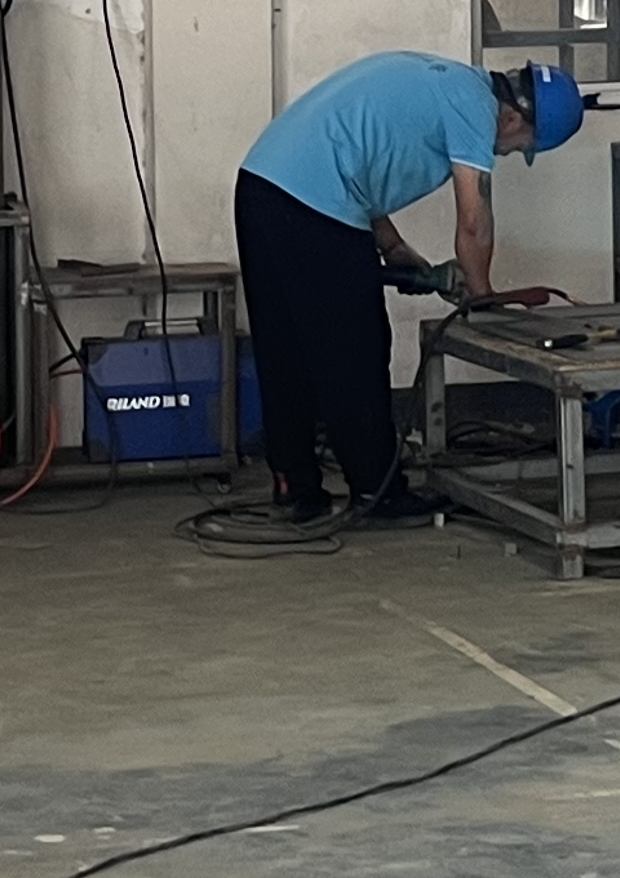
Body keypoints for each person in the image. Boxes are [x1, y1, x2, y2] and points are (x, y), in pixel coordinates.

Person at [235, 53, 584, 527]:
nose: (502, 153)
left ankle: (294, 488)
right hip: (313, 206)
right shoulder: (476, 107)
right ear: (512, 118)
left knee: (287, 350)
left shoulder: (443, 79)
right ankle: (376, 494)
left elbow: (352, 156)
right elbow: (474, 221)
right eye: (516, 147)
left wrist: (392, 246)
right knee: (356, 349)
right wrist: (481, 296)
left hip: (262, 186)